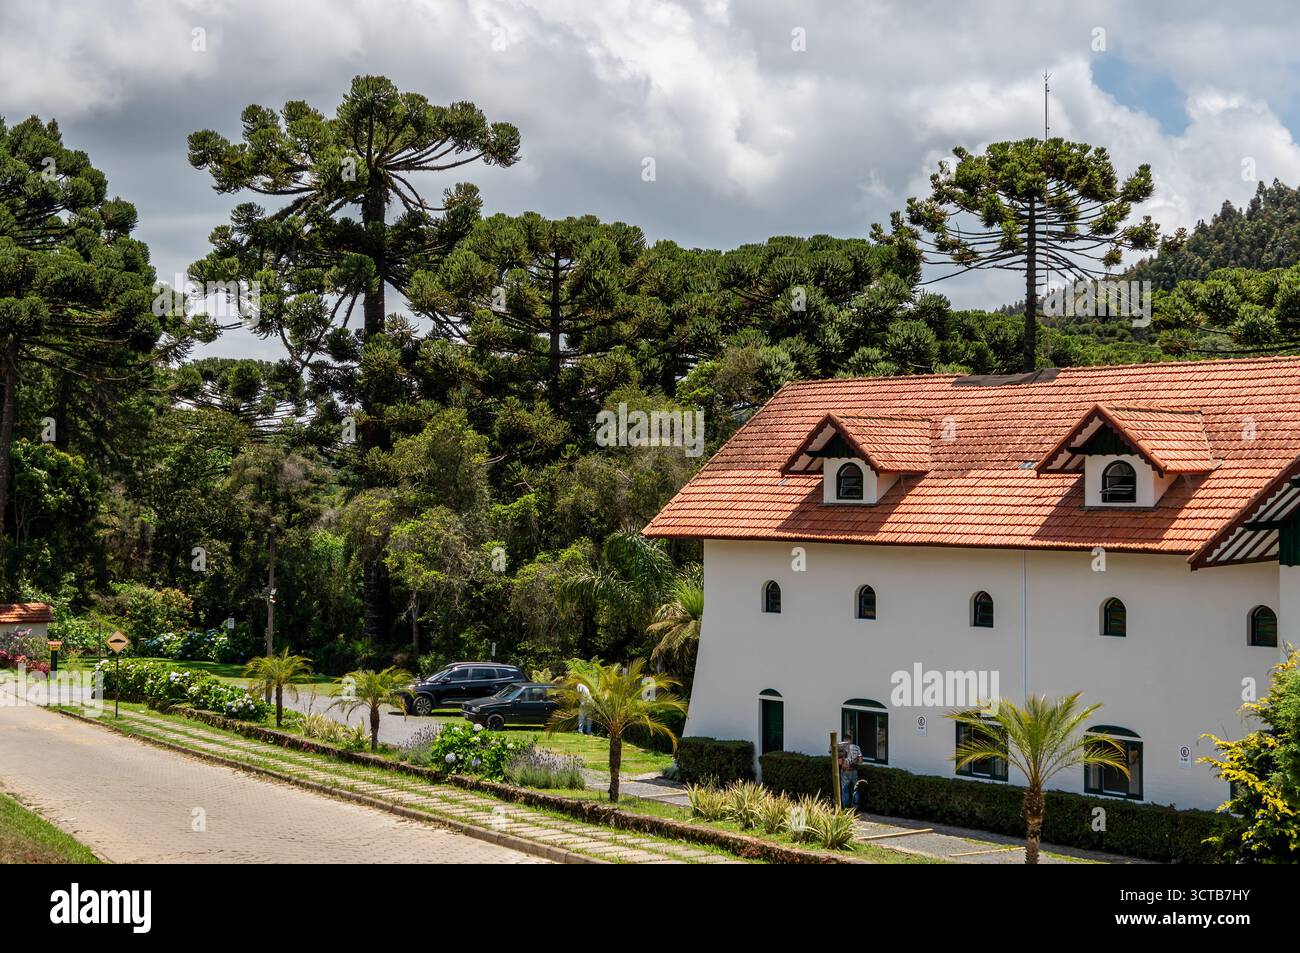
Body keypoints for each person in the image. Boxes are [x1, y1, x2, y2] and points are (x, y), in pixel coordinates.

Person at [839, 733, 863, 809]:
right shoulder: (857, 748)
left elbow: (839, 762)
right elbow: (860, 761)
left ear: (844, 740)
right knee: (855, 789)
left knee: (845, 790)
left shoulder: (842, 749)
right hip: (854, 771)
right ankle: (855, 808)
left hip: (845, 772)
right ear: (851, 740)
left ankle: (845, 809)